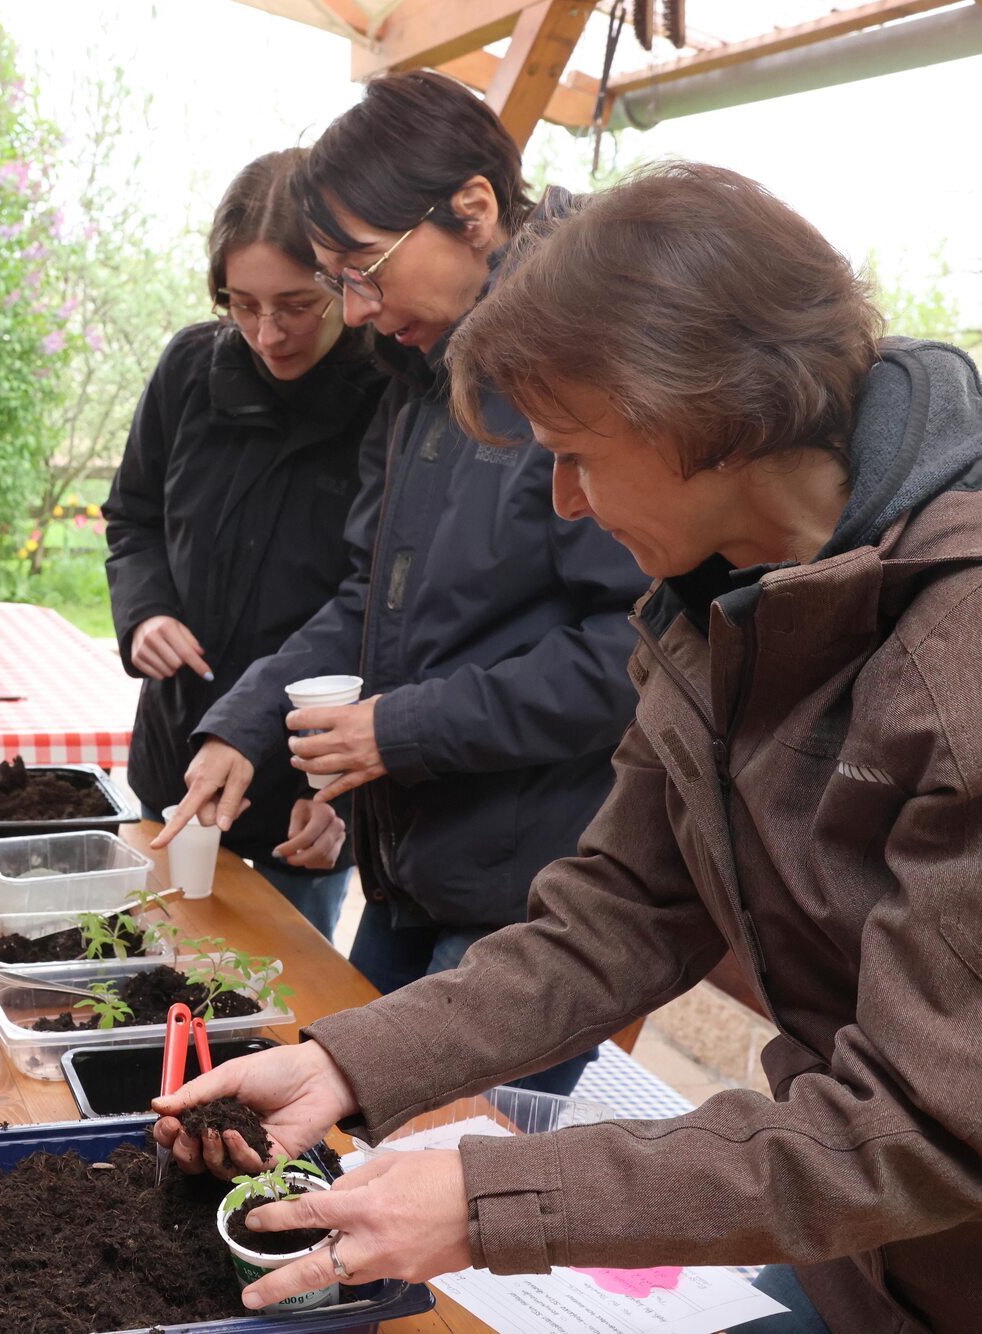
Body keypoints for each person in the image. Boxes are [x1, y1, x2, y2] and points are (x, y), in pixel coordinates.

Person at [153, 163, 982, 1333]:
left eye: (575, 451)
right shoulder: (711, 604)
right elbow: (619, 910)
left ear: (700, 415)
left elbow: (924, 1128)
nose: (559, 500)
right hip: (870, 1256)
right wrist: (345, 1062)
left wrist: (491, 1196)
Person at [156, 72, 645, 1095]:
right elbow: (360, 602)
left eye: (362, 271)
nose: (354, 308)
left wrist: (399, 729)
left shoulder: (583, 372)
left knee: (429, 1198)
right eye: (335, 279)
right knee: (329, 1133)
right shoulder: (419, 388)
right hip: (418, 869)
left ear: (470, 212)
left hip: (533, 899)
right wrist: (242, 724)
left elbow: (632, 654)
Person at [104, 149, 387, 936]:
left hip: (311, 790)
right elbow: (132, 520)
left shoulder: (394, 398)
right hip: (177, 758)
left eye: (296, 304)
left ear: (343, 280)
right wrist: (146, 612)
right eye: (243, 303)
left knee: (284, 995)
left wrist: (348, 804)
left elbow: (386, 609)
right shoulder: (188, 371)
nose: (269, 333)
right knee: (159, 958)